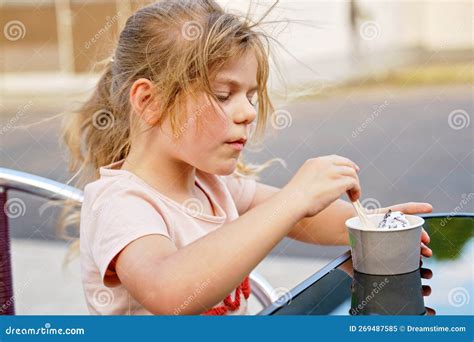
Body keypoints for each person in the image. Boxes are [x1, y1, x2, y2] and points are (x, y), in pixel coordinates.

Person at [62, 0, 432, 315]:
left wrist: (376, 225)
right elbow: (167, 291)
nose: (247, 113)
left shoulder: (211, 185)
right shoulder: (120, 204)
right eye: (224, 94)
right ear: (150, 102)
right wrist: (293, 197)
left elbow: (305, 221)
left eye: (251, 96)